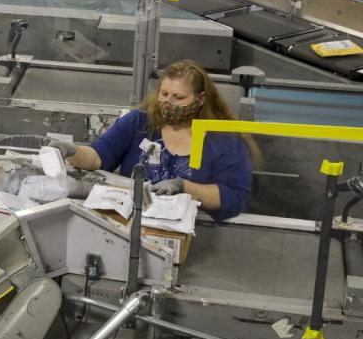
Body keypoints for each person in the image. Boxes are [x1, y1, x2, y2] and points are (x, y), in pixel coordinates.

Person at [49, 59, 254, 221]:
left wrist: (184, 187)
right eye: (164, 94)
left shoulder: (223, 140)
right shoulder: (139, 123)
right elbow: (99, 156)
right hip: (130, 222)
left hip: (193, 232)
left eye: (179, 97)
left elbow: (233, 197)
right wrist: (73, 152)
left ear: (200, 99)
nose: (168, 102)